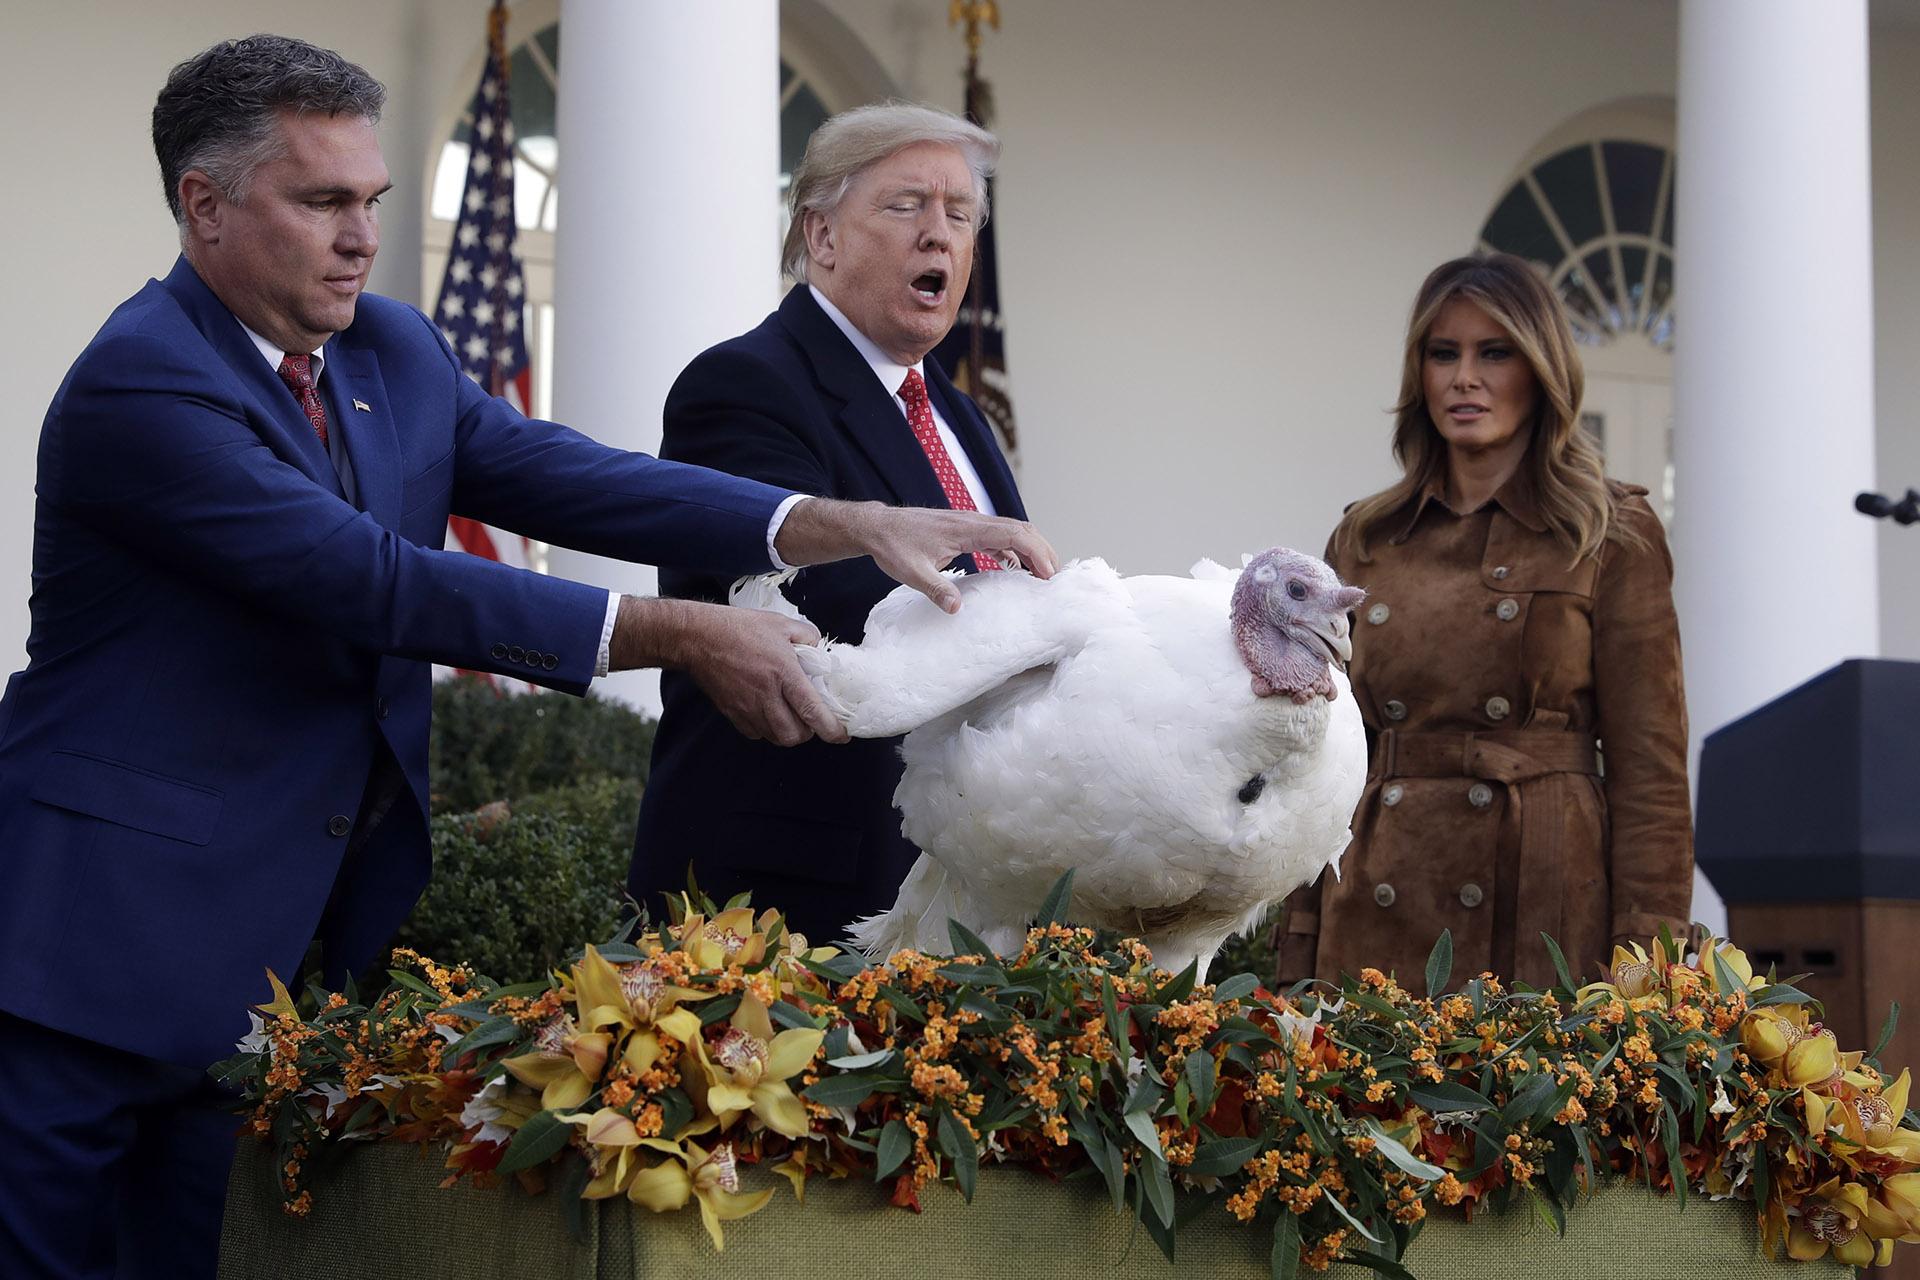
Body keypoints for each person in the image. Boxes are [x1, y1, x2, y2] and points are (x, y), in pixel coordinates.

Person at [0, 38, 1054, 1280]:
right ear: (205, 204)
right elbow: (374, 581)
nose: (360, 235)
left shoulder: (390, 351)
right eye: (323, 201)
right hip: (81, 957)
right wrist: (678, 629)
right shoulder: (144, 385)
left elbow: (578, 479)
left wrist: (838, 519)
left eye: (374, 201)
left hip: (270, 959)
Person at [629, 104, 1030, 945]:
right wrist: (1054, 629)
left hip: (952, 888)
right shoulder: (744, 385)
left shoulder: (959, 416)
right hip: (787, 894)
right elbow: (832, 610)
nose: (940, 237)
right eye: (906, 205)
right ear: (821, 235)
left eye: (960, 215)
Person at [1278, 253, 1692, 993]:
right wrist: (1296, 947)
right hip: (1376, 899)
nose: (1465, 377)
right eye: (1444, 354)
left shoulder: (1610, 532)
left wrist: (1648, 969)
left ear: (1540, 370)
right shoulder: (1365, 538)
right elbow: (1321, 761)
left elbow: (1650, 778)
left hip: (1542, 909)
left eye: (1493, 352)